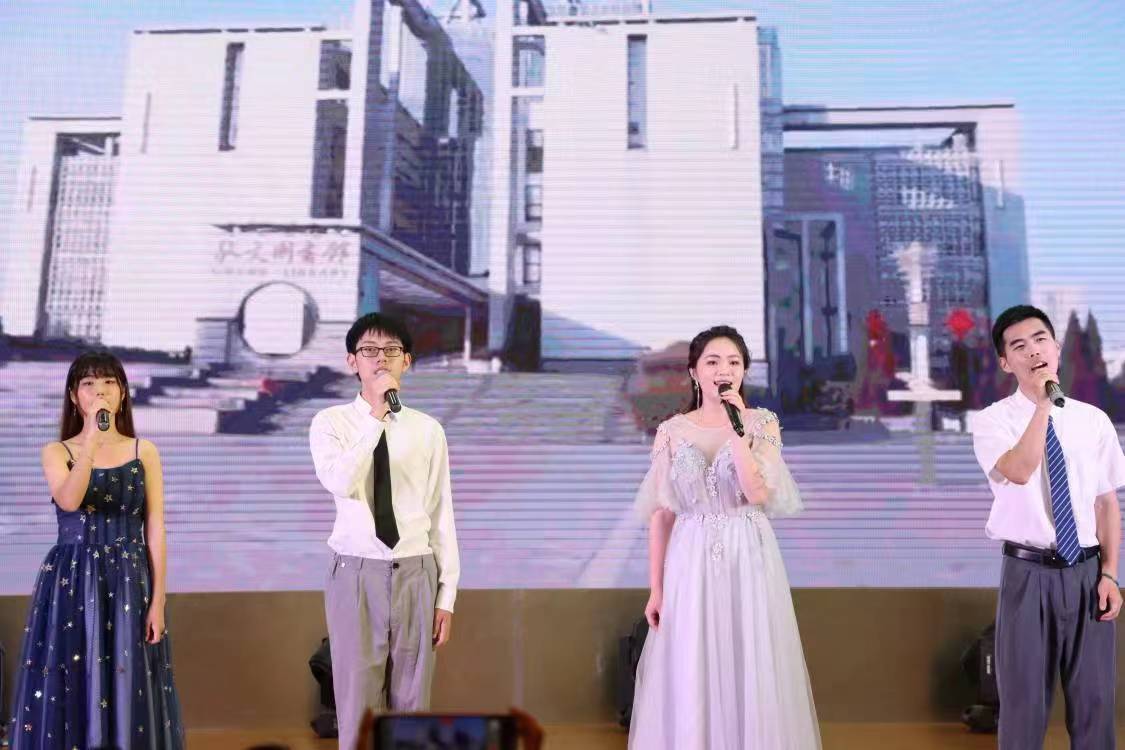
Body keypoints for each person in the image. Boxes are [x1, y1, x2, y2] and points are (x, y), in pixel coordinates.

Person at [628, 325, 821, 749]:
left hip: (748, 551)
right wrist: (656, 589)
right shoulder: (672, 430)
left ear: (744, 371)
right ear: (694, 372)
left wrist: (738, 434)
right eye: (713, 361)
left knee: (750, 655)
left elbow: (757, 493)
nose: (724, 370)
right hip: (691, 556)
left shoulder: (761, 423)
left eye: (734, 362)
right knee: (692, 660)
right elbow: (662, 514)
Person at [10, 351, 184, 749]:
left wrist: (158, 600)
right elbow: (69, 500)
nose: (99, 391)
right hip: (71, 579)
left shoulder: (144, 451)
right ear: (74, 396)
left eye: (108, 382)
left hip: (129, 580)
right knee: (73, 678)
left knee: (128, 679)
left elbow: (155, 526)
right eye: (88, 383)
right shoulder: (57, 452)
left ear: (122, 393)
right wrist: (89, 441)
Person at [971, 305, 1125, 748]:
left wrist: (1110, 574)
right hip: (1028, 575)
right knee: (1023, 707)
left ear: (1056, 347)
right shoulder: (992, 421)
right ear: (1006, 362)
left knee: (1095, 703)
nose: (1033, 351)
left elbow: (1106, 503)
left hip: (1087, 574)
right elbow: (1019, 471)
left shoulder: (1092, 420)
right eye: (1019, 346)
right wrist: (1042, 406)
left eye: (1040, 339)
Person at [309, 312, 461, 749]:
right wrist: (376, 416)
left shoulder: (428, 430)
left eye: (391, 350)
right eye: (369, 351)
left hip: (416, 570)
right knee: (358, 702)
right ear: (351, 361)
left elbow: (441, 513)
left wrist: (446, 595)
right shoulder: (331, 423)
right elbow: (340, 481)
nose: (381, 359)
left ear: (406, 361)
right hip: (355, 572)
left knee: (412, 702)